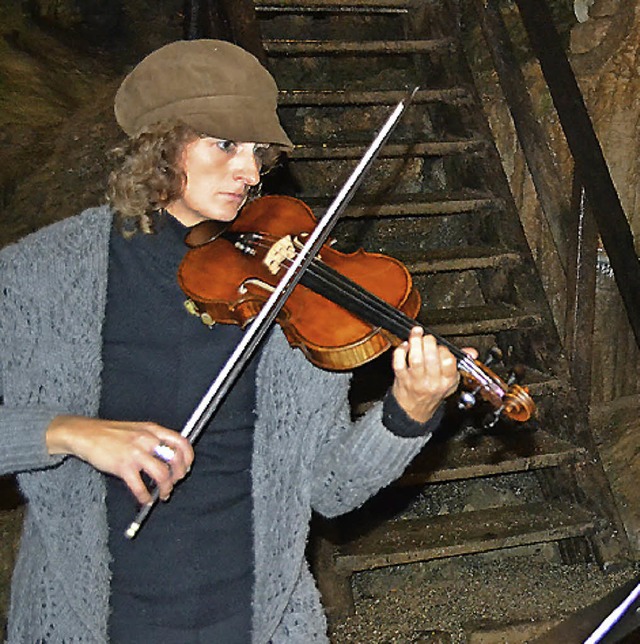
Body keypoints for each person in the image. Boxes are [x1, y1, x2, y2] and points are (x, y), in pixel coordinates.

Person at [0, 39, 469, 643]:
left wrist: (409, 412)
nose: (249, 173)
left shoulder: (288, 291)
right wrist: (67, 432)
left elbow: (329, 488)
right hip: (91, 624)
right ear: (159, 141)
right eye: (226, 144)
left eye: (257, 153)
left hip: (257, 626)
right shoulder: (42, 276)